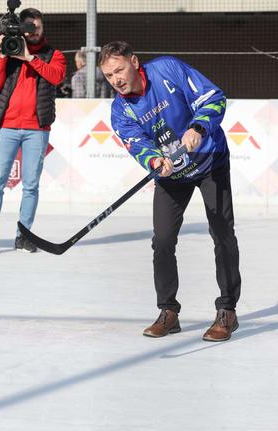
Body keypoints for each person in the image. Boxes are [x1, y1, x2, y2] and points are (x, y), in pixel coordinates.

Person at [99, 41, 241, 342]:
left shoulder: (168, 69)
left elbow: (214, 97)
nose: (117, 80)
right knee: (162, 240)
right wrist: (154, 160)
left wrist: (199, 127)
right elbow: (137, 144)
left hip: (210, 162)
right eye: (109, 76)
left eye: (120, 70)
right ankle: (168, 312)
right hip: (172, 175)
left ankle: (227, 311)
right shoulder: (120, 110)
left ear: (134, 62)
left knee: (222, 233)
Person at [0, 7, 66, 254]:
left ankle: (23, 235)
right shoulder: (9, 51)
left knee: (30, 186)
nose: (34, 31)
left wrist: (29, 58)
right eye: (29, 27)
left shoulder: (53, 55)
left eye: (38, 26)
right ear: (21, 29)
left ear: (43, 28)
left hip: (36, 130)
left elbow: (56, 77)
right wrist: (4, 55)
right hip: (6, 127)